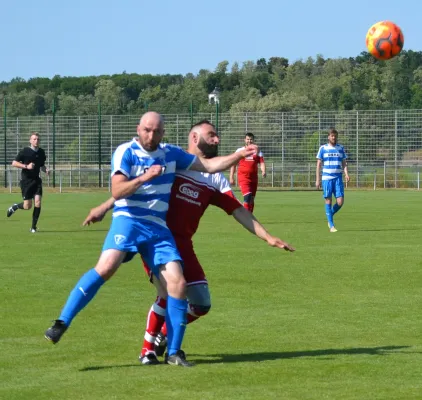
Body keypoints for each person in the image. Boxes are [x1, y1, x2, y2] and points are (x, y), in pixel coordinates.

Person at [44, 112, 258, 367]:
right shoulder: (126, 152)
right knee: (106, 267)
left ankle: (173, 353)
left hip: (158, 227)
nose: (151, 135)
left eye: (156, 131)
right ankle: (61, 322)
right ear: (138, 128)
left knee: (177, 285)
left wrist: (238, 155)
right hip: (129, 220)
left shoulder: (171, 154)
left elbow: (210, 166)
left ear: (163, 133)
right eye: (147, 130)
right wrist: (145, 177)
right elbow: (117, 190)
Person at [83, 119, 295, 365]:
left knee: (202, 303)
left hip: (184, 244)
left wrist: (268, 237)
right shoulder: (173, 162)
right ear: (195, 138)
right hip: (156, 238)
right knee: (170, 292)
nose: (217, 139)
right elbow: (135, 189)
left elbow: (239, 211)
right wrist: (105, 206)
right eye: (212, 134)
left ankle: (164, 335)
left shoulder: (216, 181)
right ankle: (148, 350)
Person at [6, 132, 49, 232]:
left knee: (38, 202)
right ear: (30, 140)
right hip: (26, 181)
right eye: (34, 139)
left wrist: (45, 170)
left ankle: (33, 227)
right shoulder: (25, 151)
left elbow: (41, 165)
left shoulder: (41, 152)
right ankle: (15, 207)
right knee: (27, 206)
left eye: (38, 139)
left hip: (37, 181)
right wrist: (26, 166)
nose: (36, 141)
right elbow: (14, 163)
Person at [315, 128, 350, 233]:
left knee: (340, 201)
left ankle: (329, 215)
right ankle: (331, 225)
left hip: (338, 178)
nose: (334, 137)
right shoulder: (323, 148)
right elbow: (318, 165)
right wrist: (317, 179)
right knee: (328, 200)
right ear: (328, 137)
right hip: (327, 178)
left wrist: (346, 174)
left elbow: (344, 163)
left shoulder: (341, 148)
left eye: (335, 136)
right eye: (332, 136)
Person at [229, 132, 266, 212]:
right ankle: (246, 216)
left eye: (251, 139)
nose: (249, 141)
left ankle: (250, 216)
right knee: (248, 196)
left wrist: (263, 171)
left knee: (251, 199)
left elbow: (262, 162)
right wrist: (231, 177)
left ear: (253, 140)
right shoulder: (240, 151)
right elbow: (233, 164)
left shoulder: (257, 151)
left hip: (254, 178)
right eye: (248, 139)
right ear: (245, 140)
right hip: (243, 177)